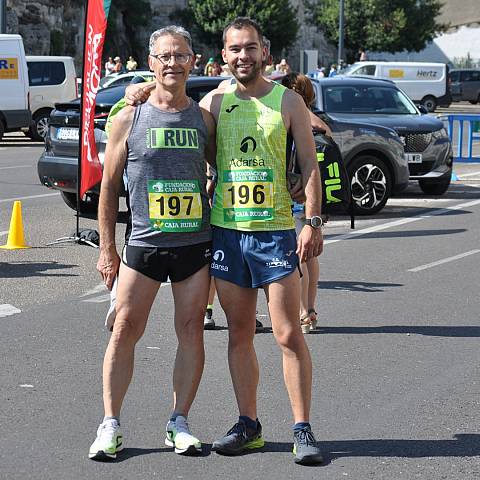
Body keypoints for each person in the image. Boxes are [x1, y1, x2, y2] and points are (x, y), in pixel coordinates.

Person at [88, 25, 216, 461]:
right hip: (143, 243)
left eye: (181, 56)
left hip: (193, 246)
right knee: (124, 329)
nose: (173, 63)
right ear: (151, 62)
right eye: (164, 56)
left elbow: (224, 170)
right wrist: (107, 249)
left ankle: (179, 421)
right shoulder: (129, 117)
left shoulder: (203, 119)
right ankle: (110, 424)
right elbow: (108, 188)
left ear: (193, 61)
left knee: (190, 330)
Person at [201, 17, 324, 465]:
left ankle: (303, 428)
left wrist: (312, 221)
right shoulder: (212, 102)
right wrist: (137, 93)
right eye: (234, 49)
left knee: (289, 333)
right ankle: (248, 424)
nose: (242, 57)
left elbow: (309, 164)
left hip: (274, 233)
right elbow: (168, 111)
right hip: (228, 232)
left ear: (264, 52)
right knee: (239, 333)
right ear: (224, 55)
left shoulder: (287, 101)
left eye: (250, 48)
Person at [281, 72, 331, 333]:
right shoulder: (321, 123)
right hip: (316, 198)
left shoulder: (293, 117)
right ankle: (310, 309)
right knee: (310, 255)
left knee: (299, 253)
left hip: (296, 195)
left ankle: (302, 312)